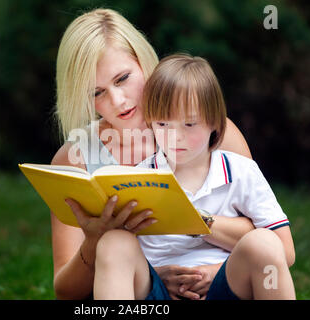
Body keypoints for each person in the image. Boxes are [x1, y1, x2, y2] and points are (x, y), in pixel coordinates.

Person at [51, 8, 255, 300]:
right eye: (96, 93)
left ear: (144, 61)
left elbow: (266, 239)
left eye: (122, 79)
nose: (118, 101)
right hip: (140, 294)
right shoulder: (75, 158)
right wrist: (93, 243)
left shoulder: (214, 133)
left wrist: (212, 268)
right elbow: (66, 293)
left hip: (218, 286)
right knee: (116, 244)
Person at [93, 54, 296, 300]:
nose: (174, 137)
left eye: (189, 125)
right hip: (159, 292)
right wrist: (158, 274)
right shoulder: (140, 178)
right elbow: (129, 262)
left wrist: (213, 265)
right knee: (114, 242)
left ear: (214, 122)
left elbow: (285, 251)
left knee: (264, 242)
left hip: (224, 287)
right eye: (163, 125)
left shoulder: (241, 172)